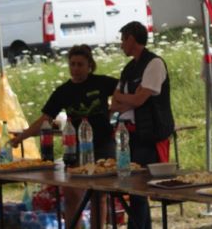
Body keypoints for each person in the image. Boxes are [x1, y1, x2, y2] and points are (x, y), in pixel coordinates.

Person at [11, 45, 117, 229]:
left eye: (80, 64)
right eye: (72, 64)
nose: (75, 68)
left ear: (89, 65)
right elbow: (45, 120)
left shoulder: (102, 82)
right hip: (75, 147)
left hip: (103, 145)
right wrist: (21, 137)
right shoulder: (63, 91)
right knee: (71, 195)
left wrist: (113, 109)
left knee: (98, 195)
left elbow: (125, 90)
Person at [110, 21, 175, 229]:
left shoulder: (154, 63)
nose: (121, 45)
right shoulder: (129, 68)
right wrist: (129, 98)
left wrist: (127, 98)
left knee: (140, 189)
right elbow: (114, 103)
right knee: (134, 189)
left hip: (149, 135)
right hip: (129, 135)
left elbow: (138, 100)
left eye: (123, 40)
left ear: (131, 39)